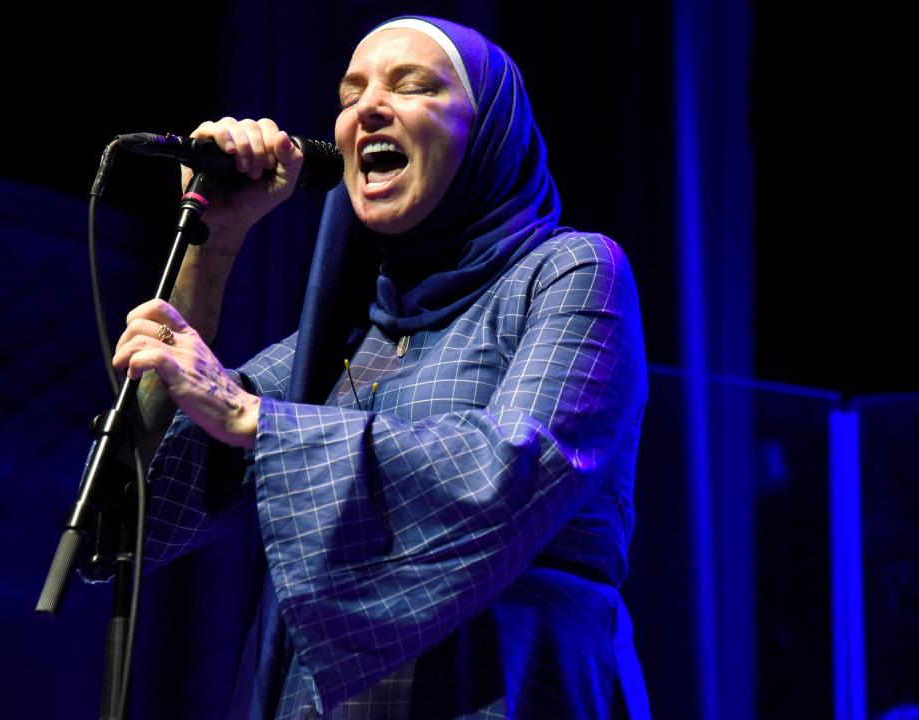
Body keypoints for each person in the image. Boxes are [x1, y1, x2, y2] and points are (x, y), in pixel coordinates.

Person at [113, 15, 650, 719]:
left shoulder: (572, 273)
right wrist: (210, 247)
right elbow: (137, 518)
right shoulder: (346, 341)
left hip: (513, 688)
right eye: (350, 93)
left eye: (413, 86)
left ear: (491, 130)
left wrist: (251, 418)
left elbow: (514, 464)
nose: (366, 107)